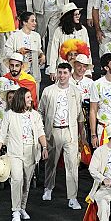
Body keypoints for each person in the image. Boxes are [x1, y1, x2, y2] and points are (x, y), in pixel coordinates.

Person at [0, 87, 49, 221]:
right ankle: (15, 210)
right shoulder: (9, 115)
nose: (31, 99)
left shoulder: (35, 115)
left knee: (26, 181)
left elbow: (41, 132)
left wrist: (44, 147)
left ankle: (22, 207)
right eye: (28, 97)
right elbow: (1, 135)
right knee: (17, 179)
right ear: (21, 98)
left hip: (31, 151)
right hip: (15, 152)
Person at [39, 63, 84, 209]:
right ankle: (48, 188)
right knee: (51, 162)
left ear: (70, 74)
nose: (62, 75)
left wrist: (81, 137)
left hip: (70, 132)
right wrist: (42, 133)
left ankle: (73, 197)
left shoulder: (76, 92)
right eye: (60, 72)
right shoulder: (48, 91)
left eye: (65, 72)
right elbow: (41, 112)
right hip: (53, 131)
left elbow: (79, 115)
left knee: (72, 165)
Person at [46, 3, 88, 81]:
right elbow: (54, 51)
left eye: (79, 14)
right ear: (69, 16)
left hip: (79, 67)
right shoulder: (59, 31)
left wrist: (88, 71)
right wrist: (52, 70)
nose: (78, 16)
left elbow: (87, 50)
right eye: (75, 15)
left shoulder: (82, 30)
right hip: (63, 67)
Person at [3, 12, 43, 82]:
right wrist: (18, 52)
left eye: (35, 21)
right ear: (24, 22)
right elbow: (6, 53)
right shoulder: (14, 36)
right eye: (32, 21)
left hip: (34, 71)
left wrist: (42, 55)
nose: (35, 23)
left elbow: (38, 49)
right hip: (19, 72)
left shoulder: (37, 36)